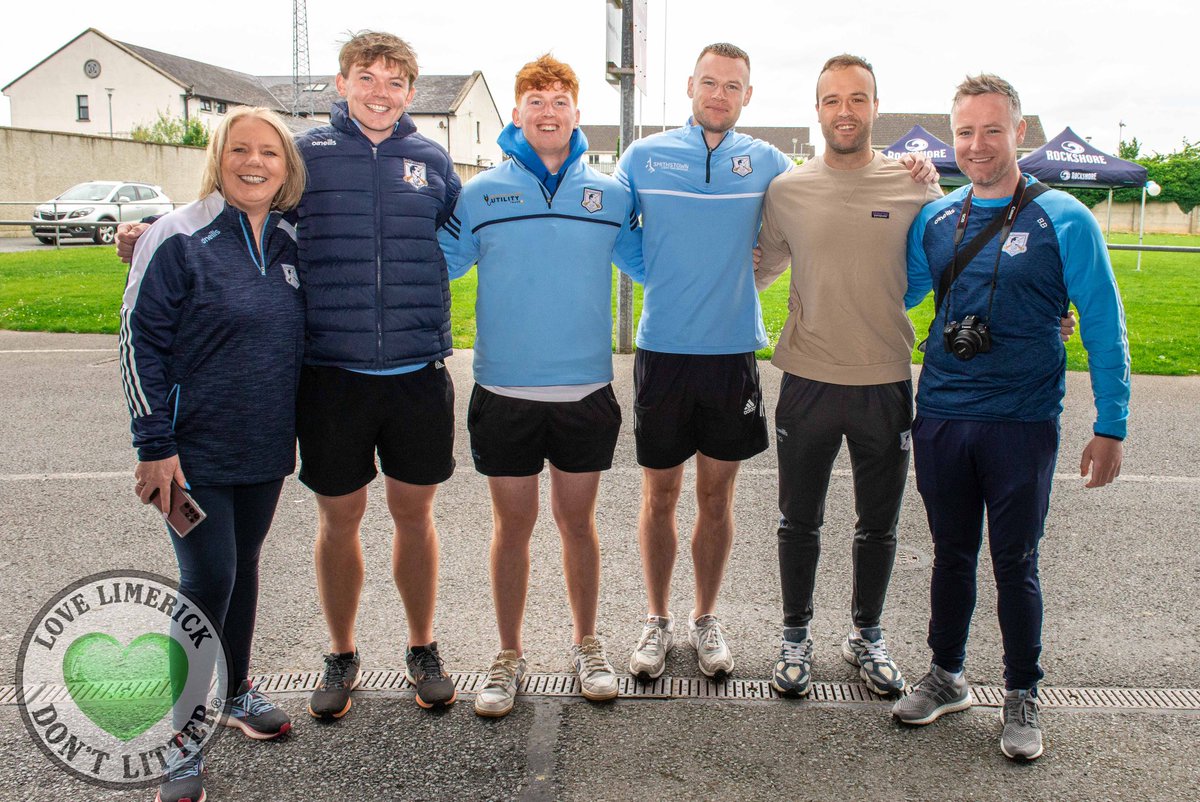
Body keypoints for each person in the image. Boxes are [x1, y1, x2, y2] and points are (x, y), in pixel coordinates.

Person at [118, 31, 464, 716]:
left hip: (418, 371)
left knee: (414, 516)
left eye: (395, 81)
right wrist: (151, 231)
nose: (380, 92)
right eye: (367, 77)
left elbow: (457, 233)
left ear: (411, 92)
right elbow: (235, 212)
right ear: (341, 84)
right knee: (338, 518)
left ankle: (422, 647)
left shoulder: (431, 159)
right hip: (331, 375)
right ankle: (340, 653)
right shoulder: (305, 154)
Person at [616, 43, 934, 682]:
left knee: (715, 495)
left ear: (749, 95)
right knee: (660, 495)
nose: (719, 94)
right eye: (709, 82)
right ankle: (657, 621)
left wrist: (917, 168)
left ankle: (707, 620)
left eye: (733, 86)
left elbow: (847, 236)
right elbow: (618, 233)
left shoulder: (768, 165)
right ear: (690, 86)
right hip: (663, 352)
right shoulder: (643, 156)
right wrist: (672, 279)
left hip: (734, 353)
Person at [891, 74, 1130, 762]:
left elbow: (1105, 326)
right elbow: (896, 293)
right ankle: (946, 674)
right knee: (950, 554)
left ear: (1018, 132)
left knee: (1015, 560)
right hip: (941, 413)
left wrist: (1111, 424)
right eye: (964, 131)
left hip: (1021, 421)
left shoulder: (1065, 218)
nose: (977, 144)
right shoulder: (937, 220)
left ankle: (1022, 692)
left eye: (992, 130)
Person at [438, 54, 643, 718]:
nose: (547, 110)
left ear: (577, 113)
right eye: (534, 99)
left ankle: (588, 644)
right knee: (513, 527)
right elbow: (425, 261)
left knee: (578, 525)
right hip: (504, 393)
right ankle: (508, 654)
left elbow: (662, 260)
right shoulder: (479, 195)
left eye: (559, 99)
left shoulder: (612, 196)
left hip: (584, 392)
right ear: (518, 113)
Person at [120, 106, 306, 802]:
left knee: (244, 568)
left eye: (270, 153)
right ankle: (183, 737)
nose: (255, 162)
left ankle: (236, 692)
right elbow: (139, 344)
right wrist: (153, 446)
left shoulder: (291, 242)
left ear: (287, 168)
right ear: (218, 157)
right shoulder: (175, 237)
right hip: (188, 456)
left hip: (263, 449)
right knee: (206, 580)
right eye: (241, 150)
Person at [754, 54, 942, 699]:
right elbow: (757, 269)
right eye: (832, 100)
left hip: (885, 379)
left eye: (857, 99)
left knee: (878, 523)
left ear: (875, 108)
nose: (845, 111)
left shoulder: (916, 185)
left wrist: (1043, 318)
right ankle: (795, 639)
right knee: (797, 519)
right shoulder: (786, 191)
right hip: (806, 377)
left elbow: (960, 264)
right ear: (817, 109)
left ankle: (866, 635)